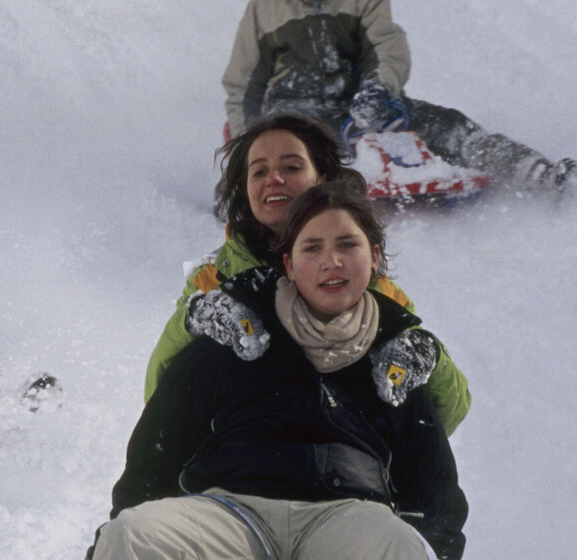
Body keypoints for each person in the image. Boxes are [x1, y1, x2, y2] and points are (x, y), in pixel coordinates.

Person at [89, 178, 468, 560]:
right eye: (312, 247)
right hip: (230, 514)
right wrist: (122, 532)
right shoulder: (239, 334)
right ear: (289, 263)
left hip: (347, 518)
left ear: (373, 256)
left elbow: (433, 485)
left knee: (397, 544)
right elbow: (157, 447)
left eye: (347, 245)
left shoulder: (395, 357)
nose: (330, 261)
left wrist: (436, 547)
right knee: (132, 536)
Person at [145, 113, 470, 435]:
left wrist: (428, 357)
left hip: (344, 467)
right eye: (259, 171)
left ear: (324, 178)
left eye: (292, 167)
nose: (274, 179)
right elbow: (160, 402)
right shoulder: (216, 280)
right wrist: (194, 322)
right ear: (245, 190)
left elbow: (438, 422)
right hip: (236, 461)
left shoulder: (371, 291)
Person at [221, 0, 574, 196]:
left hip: (363, 104)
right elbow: (242, 86)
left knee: (448, 125)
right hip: (296, 111)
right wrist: (247, 149)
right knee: (303, 151)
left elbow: (387, 48)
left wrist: (377, 90)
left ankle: (541, 174)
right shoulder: (264, 8)